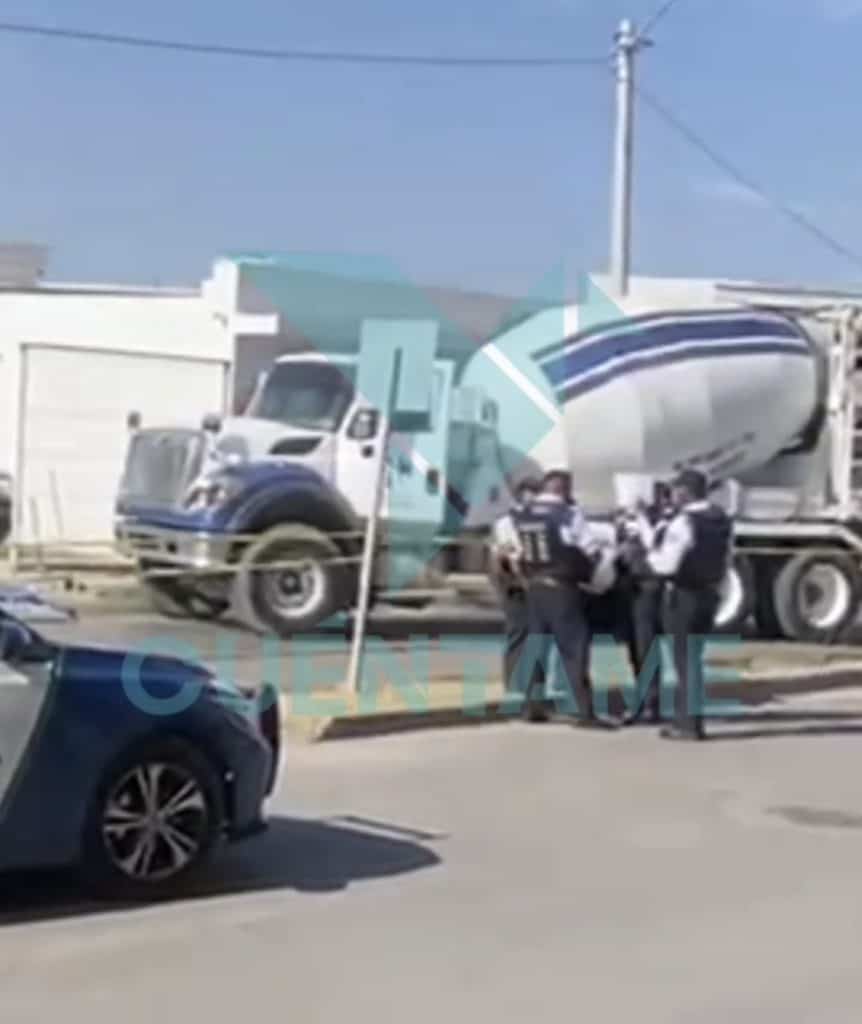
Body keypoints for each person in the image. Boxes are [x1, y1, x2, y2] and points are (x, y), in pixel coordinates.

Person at [515, 469, 619, 730]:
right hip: (562, 587)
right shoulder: (568, 515)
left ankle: (532, 705)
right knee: (574, 649)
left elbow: (516, 550)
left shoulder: (523, 514)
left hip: (535, 586)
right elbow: (589, 548)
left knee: (537, 647)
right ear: (564, 489)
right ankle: (584, 711)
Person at [643, 468, 734, 741]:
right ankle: (688, 719)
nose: (673, 496)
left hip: (684, 595)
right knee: (693, 659)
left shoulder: (684, 522)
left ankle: (688, 723)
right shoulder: (722, 519)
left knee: (684, 661)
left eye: (676, 491)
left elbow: (666, 564)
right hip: (710, 594)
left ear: (685, 492)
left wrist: (651, 554)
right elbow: (728, 556)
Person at [618, 482, 676, 725]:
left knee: (646, 646)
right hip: (629, 586)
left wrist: (641, 518)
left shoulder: (666, 523)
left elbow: (654, 545)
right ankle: (642, 700)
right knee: (635, 647)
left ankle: (651, 703)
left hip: (649, 587)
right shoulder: (628, 522)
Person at [489, 478, 543, 720]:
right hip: (516, 585)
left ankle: (533, 694)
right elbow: (507, 553)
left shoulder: (540, 520)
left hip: (536, 584)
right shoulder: (507, 522)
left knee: (537, 638)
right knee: (519, 634)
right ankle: (518, 688)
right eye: (531, 494)